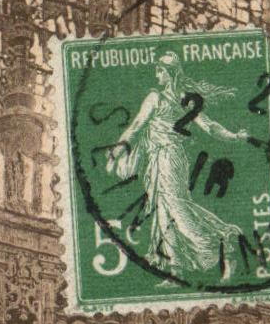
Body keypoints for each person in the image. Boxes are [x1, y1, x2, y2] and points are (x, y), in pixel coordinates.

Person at [105, 51, 247, 281]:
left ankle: (225, 239)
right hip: (163, 159)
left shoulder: (157, 97)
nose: (156, 75)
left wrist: (115, 152)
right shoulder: (184, 99)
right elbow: (210, 127)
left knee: (177, 208)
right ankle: (175, 270)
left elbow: (136, 126)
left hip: (167, 158)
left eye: (160, 70)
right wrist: (234, 136)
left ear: (169, 73)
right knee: (164, 212)